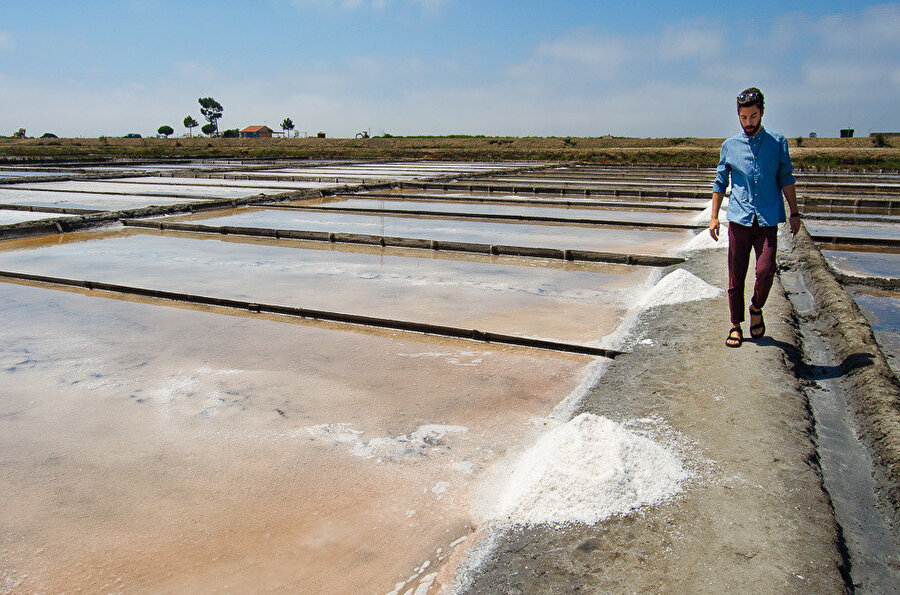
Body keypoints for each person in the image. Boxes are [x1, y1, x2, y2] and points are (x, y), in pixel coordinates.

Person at [709, 87, 801, 348]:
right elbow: (719, 183)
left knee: (765, 270)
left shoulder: (777, 142)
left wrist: (794, 212)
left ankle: (756, 307)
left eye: (754, 116)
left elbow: (786, 178)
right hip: (739, 219)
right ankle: (736, 324)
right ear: (738, 116)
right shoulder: (730, 146)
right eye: (744, 117)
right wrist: (714, 217)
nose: (749, 122)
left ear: (762, 113)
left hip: (767, 219)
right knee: (736, 277)